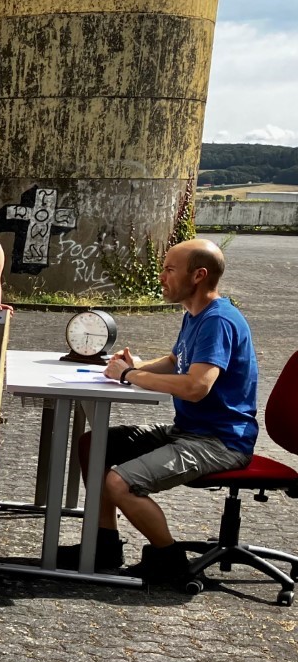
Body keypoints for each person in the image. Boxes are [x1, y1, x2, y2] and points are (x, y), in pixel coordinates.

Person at [58, 240, 257, 588]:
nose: (161, 276)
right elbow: (175, 361)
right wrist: (135, 365)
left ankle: (170, 562)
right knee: (96, 445)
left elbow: (196, 386)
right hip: (189, 430)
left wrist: (130, 376)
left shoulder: (218, 321)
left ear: (198, 275)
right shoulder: (195, 314)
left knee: (120, 482)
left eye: (169, 270)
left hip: (220, 442)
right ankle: (103, 547)